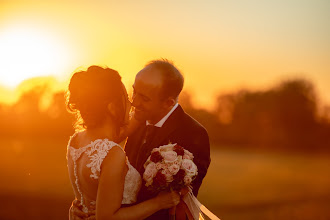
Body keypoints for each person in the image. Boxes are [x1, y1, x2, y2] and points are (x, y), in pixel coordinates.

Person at [71, 59, 211, 220]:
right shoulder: (135, 121)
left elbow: (178, 203)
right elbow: (97, 153)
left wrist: (107, 215)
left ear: (168, 103)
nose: (134, 101)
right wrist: (85, 202)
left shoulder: (193, 134)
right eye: (134, 91)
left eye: (144, 98)